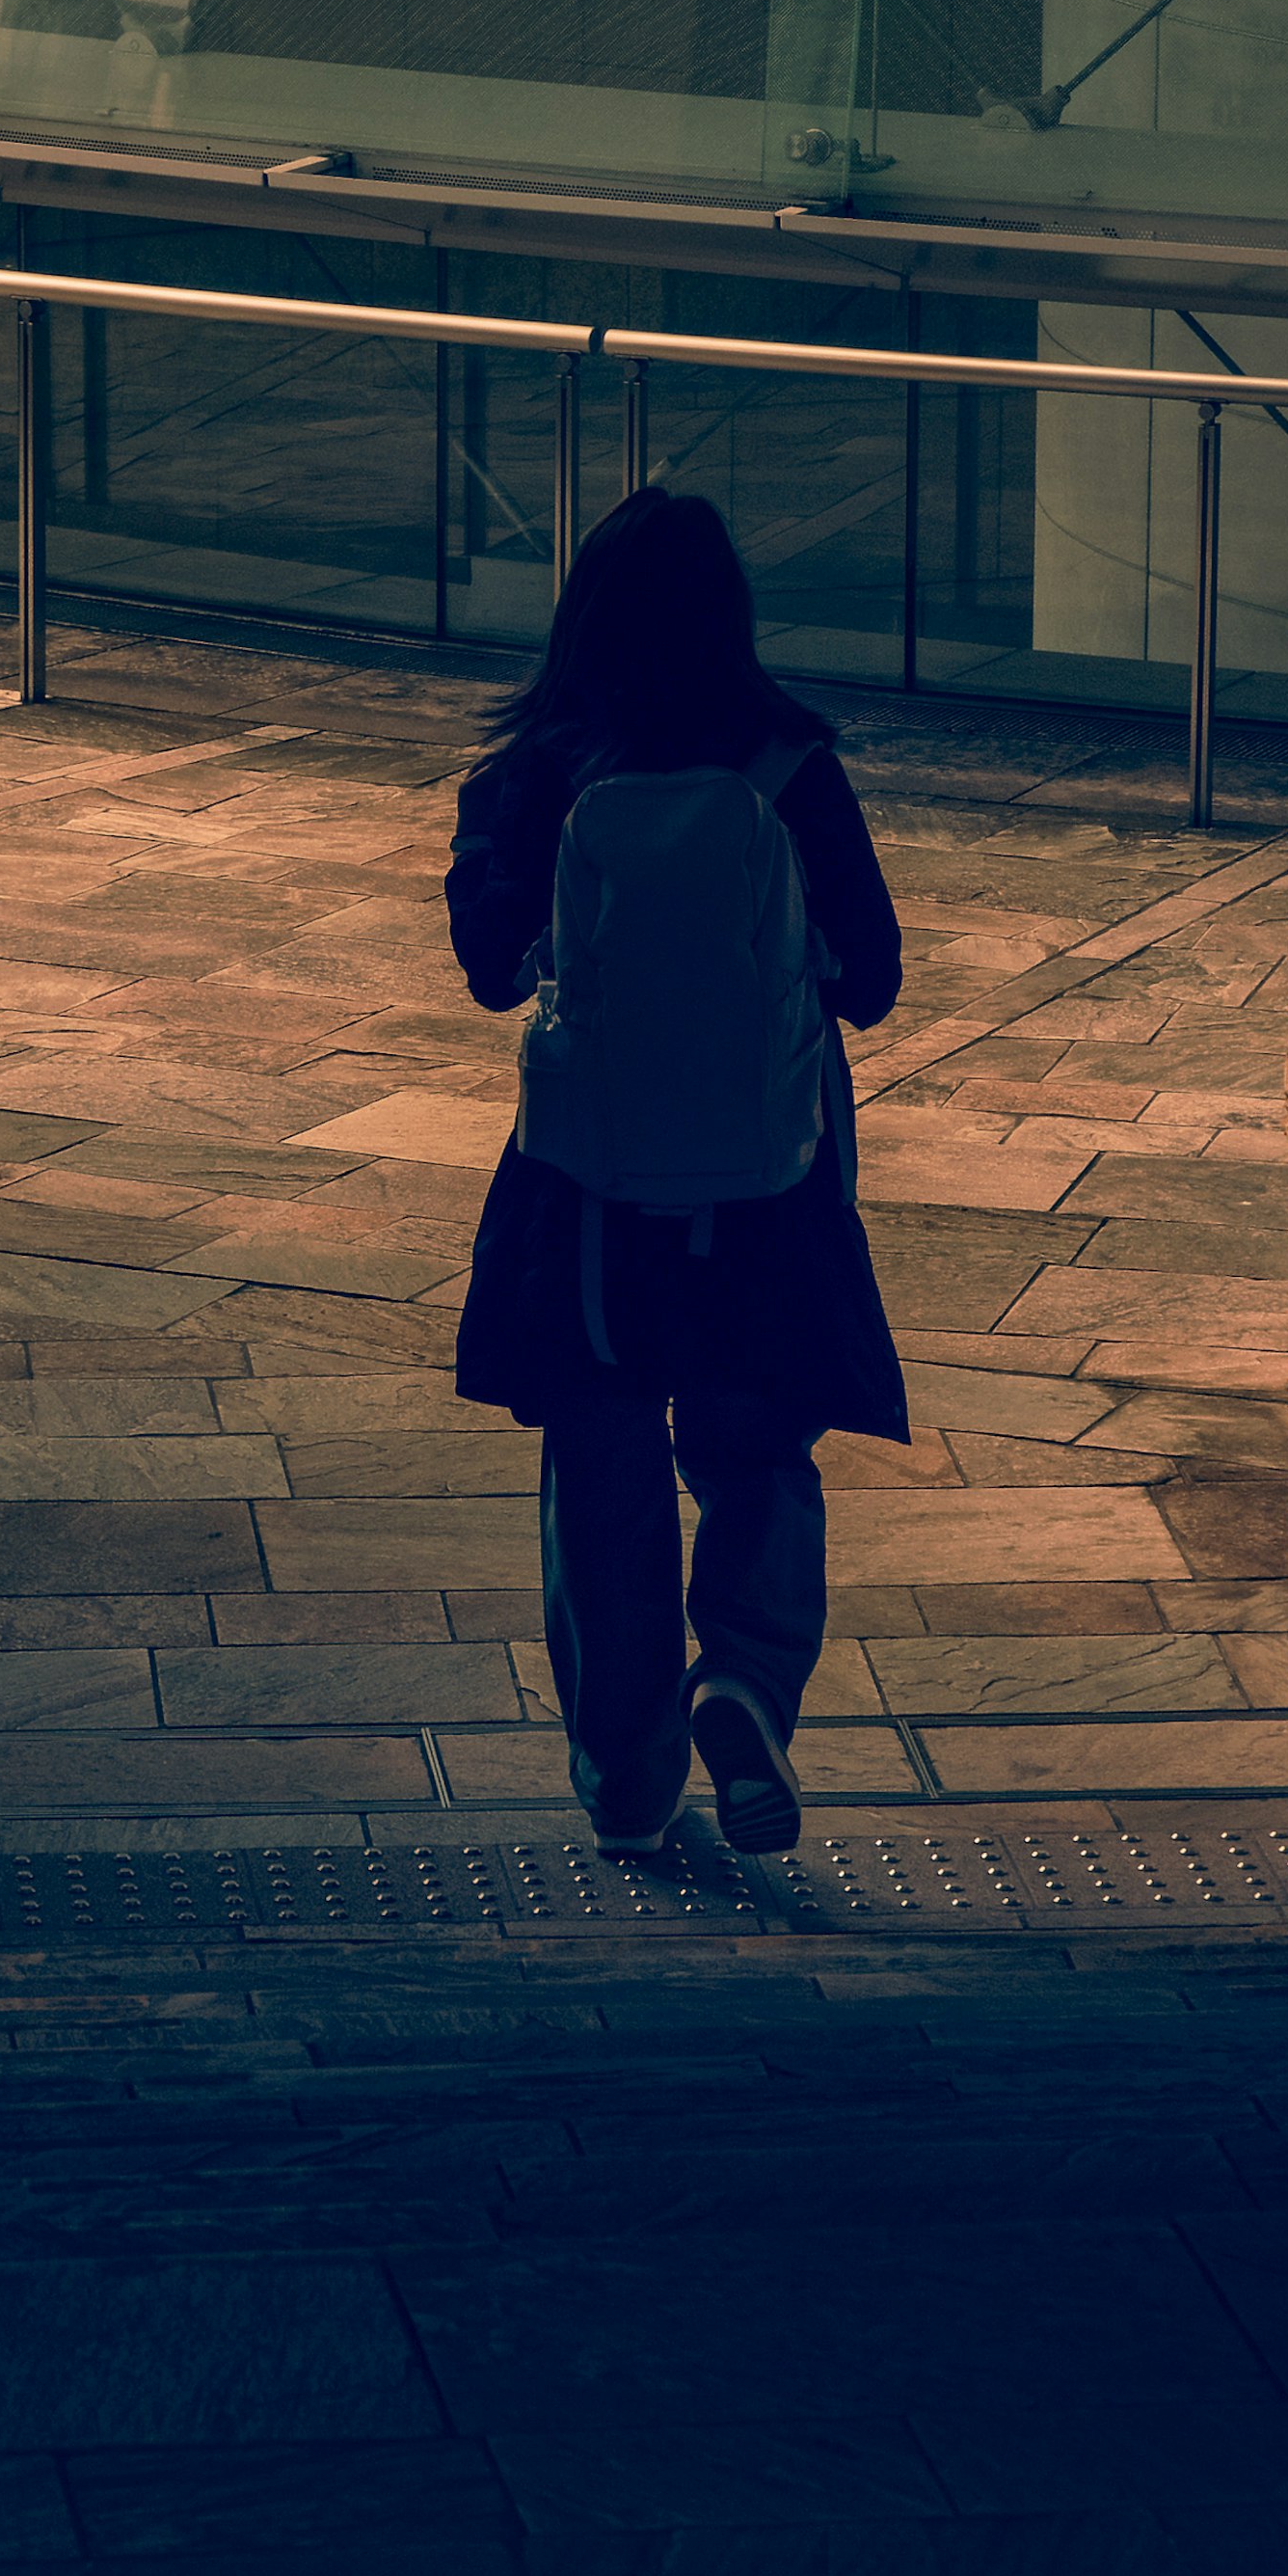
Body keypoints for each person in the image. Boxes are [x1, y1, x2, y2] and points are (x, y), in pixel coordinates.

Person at [445, 486, 906, 1857]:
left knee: (599, 1458)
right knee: (759, 1448)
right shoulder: (791, 766)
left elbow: (486, 964)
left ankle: (627, 1767)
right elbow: (873, 982)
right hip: (766, 1190)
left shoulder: (545, 767)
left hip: (585, 1198)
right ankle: (745, 1683)